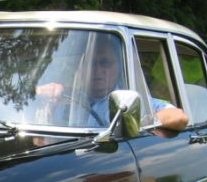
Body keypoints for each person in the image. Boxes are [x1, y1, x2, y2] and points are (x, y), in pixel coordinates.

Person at [36, 36, 189, 131]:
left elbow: (179, 117)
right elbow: (41, 142)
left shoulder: (130, 100)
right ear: (82, 68)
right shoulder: (68, 102)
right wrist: (47, 105)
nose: (97, 70)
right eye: (91, 63)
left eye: (105, 63)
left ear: (118, 68)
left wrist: (141, 123)